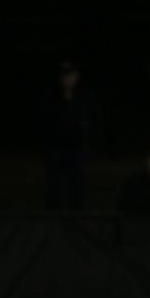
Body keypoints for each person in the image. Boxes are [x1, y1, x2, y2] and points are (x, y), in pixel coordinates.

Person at [42, 59, 96, 210]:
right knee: (55, 187)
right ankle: (53, 218)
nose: (67, 79)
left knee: (78, 187)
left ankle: (77, 217)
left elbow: (90, 120)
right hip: (56, 150)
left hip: (78, 149)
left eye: (70, 75)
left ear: (77, 76)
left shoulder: (85, 96)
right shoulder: (52, 97)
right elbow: (46, 123)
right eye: (64, 75)